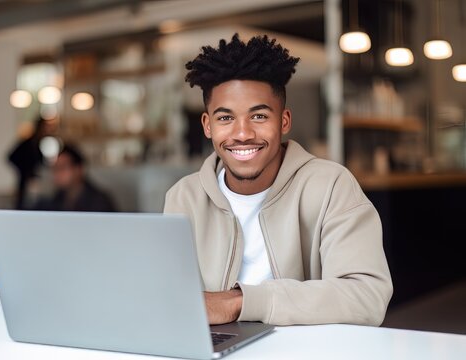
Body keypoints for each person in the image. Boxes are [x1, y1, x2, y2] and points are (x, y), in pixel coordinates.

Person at [164, 34, 393, 326]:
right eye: (225, 119)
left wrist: (241, 302)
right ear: (207, 126)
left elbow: (367, 296)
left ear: (284, 121)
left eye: (258, 116)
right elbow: (170, 296)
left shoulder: (331, 186)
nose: (242, 133)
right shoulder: (184, 197)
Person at [34, 144, 117, 212]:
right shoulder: (56, 199)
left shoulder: (99, 201)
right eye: (54, 169)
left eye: (62, 168)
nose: (56, 173)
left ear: (79, 170)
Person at [8, 117, 53, 209]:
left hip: (36, 184)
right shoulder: (28, 143)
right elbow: (11, 157)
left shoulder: (37, 144)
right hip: (27, 185)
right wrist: (25, 172)